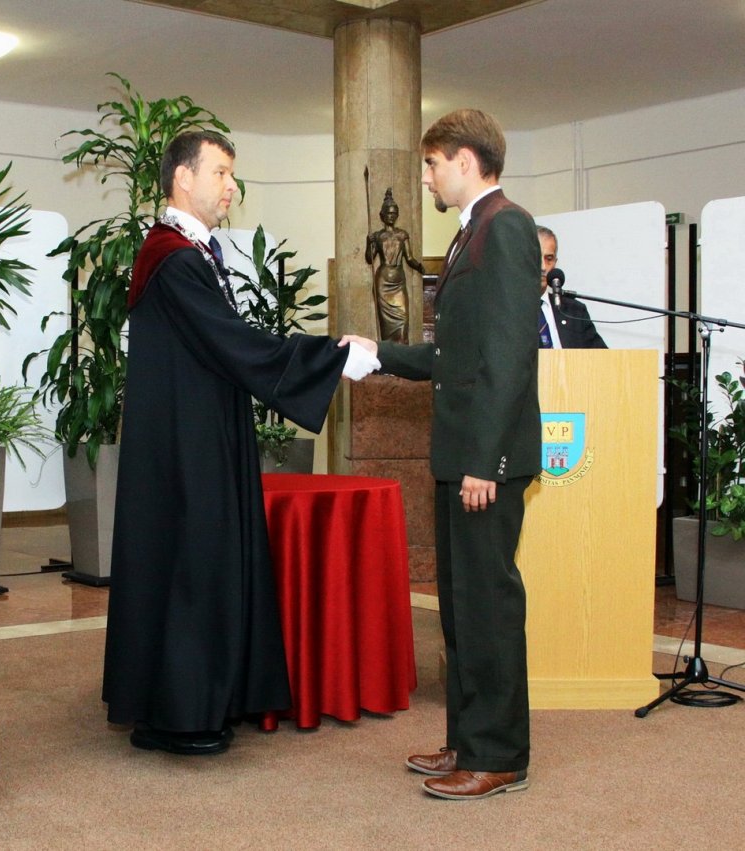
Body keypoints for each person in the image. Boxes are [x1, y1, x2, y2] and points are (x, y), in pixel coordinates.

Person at [102, 130, 380, 756]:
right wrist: (330, 357)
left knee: (204, 564)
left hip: (199, 434)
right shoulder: (173, 258)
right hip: (184, 448)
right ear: (182, 178)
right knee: (191, 568)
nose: (231, 186)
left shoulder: (192, 253)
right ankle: (176, 714)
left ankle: (210, 698)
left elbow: (226, 345)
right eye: (220, 173)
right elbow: (234, 342)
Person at [347, 109, 541, 800]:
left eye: (431, 164)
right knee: (461, 611)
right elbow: (455, 357)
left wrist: (485, 462)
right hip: (461, 456)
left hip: (483, 462)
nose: (426, 177)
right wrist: (378, 353)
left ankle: (499, 756)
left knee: (488, 609)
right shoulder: (470, 233)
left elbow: (510, 356)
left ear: (465, 160)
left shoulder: (506, 226)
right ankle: (468, 741)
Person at [366, 188, 425, 343]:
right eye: (388, 213)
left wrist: (419, 267)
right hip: (383, 281)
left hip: (398, 281)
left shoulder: (402, 235)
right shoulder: (378, 236)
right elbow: (370, 259)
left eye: (394, 213)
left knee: (403, 320)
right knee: (385, 325)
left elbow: (409, 258)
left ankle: (402, 353)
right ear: (382, 215)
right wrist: (368, 244)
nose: (391, 216)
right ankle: (388, 353)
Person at [536, 226, 608, 349]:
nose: (543, 267)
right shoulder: (505, 311)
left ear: (555, 263)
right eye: (536, 257)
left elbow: (601, 356)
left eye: (549, 259)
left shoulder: (574, 310)